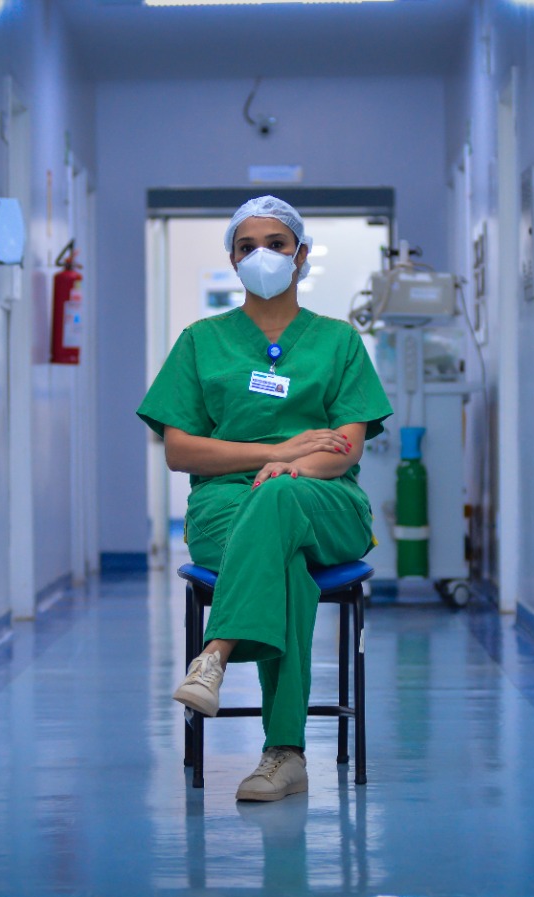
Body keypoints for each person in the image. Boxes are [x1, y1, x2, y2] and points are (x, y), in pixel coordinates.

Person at [137, 196, 392, 803]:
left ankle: (215, 654)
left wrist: (292, 465)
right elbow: (179, 451)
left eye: (276, 244)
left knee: (283, 497)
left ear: (300, 257)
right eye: (247, 245)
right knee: (288, 567)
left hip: (325, 501)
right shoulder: (202, 341)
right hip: (224, 508)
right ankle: (285, 754)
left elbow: (345, 451)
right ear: (232, 258)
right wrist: (272, 454)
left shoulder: (338, 342)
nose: (262, 256)